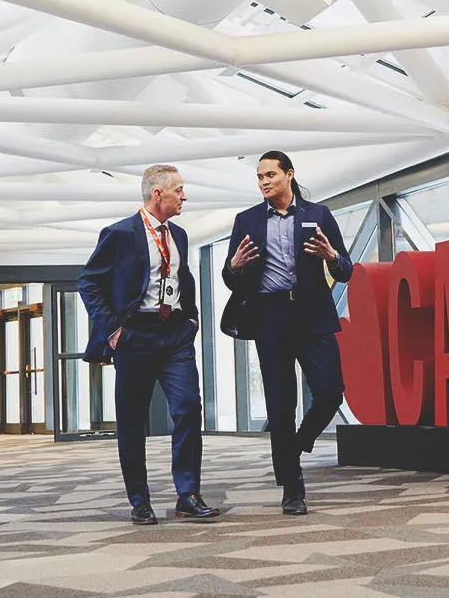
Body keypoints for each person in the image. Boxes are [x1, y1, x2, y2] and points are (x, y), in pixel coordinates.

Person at [78, 164, 221, 525]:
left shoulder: (181, 236)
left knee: (188, 407)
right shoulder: (119, 234)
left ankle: (187, 493)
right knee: (132, 419)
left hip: (174, 333)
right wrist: (113, 331)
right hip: (135, 336)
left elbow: (180, 277)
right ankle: (139, 499)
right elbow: (89, 284)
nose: (184, 196)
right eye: (179, 190)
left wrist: (190, 319)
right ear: (158, 195)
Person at [220, 151, 354, 516]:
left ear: (289, 175)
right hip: (270, 316)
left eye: (270, 175)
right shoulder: (246, 220)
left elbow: (345, 270)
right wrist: (232, 266)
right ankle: (292, 488)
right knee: (281, 405)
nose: (263, 181)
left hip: (312, 315)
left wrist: (330, 256)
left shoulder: (318, 215)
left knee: (330, 392)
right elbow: (230, 277)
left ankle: (299, 442)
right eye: (259, 177)